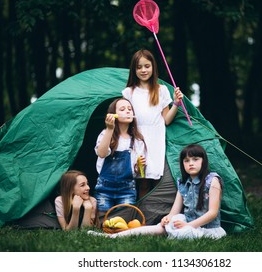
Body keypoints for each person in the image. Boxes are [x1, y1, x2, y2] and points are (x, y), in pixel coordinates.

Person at [88, 144, 226, 239]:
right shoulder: (184, 183)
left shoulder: (212, 180)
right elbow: (174, 212)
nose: (191, 163)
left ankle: (180, 233)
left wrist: (188, 226)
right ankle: (112, 236)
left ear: (203, 161)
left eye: (195, 159)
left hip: (207, 229)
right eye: (186, 160)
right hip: (187, 224)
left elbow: (213, 213)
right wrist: (168, 218)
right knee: (162, 226)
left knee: (184, 232)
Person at [122, 49, 184, 197]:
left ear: (153, 67)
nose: (143, 70)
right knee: (142, 180)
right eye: (139, 67)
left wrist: (176, 103)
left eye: (147, 66)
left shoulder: (161, 90)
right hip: (138, 139)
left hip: (156, 138)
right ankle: (141, 215)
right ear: (134, 70)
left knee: (156, 179)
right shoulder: (128, 92)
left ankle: (156, 215)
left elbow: (167, 120)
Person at [94, 98, 147, 215]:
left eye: (130, 109)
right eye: (122, 109)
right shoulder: (105, 133)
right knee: (103, 222)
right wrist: (110, 129)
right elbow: (101, 153)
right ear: (113, 115)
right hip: (104, 187)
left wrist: (140, 166)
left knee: (123, 222)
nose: (128, 111)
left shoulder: (137, 140)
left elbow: (138, 172)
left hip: (127, 189)